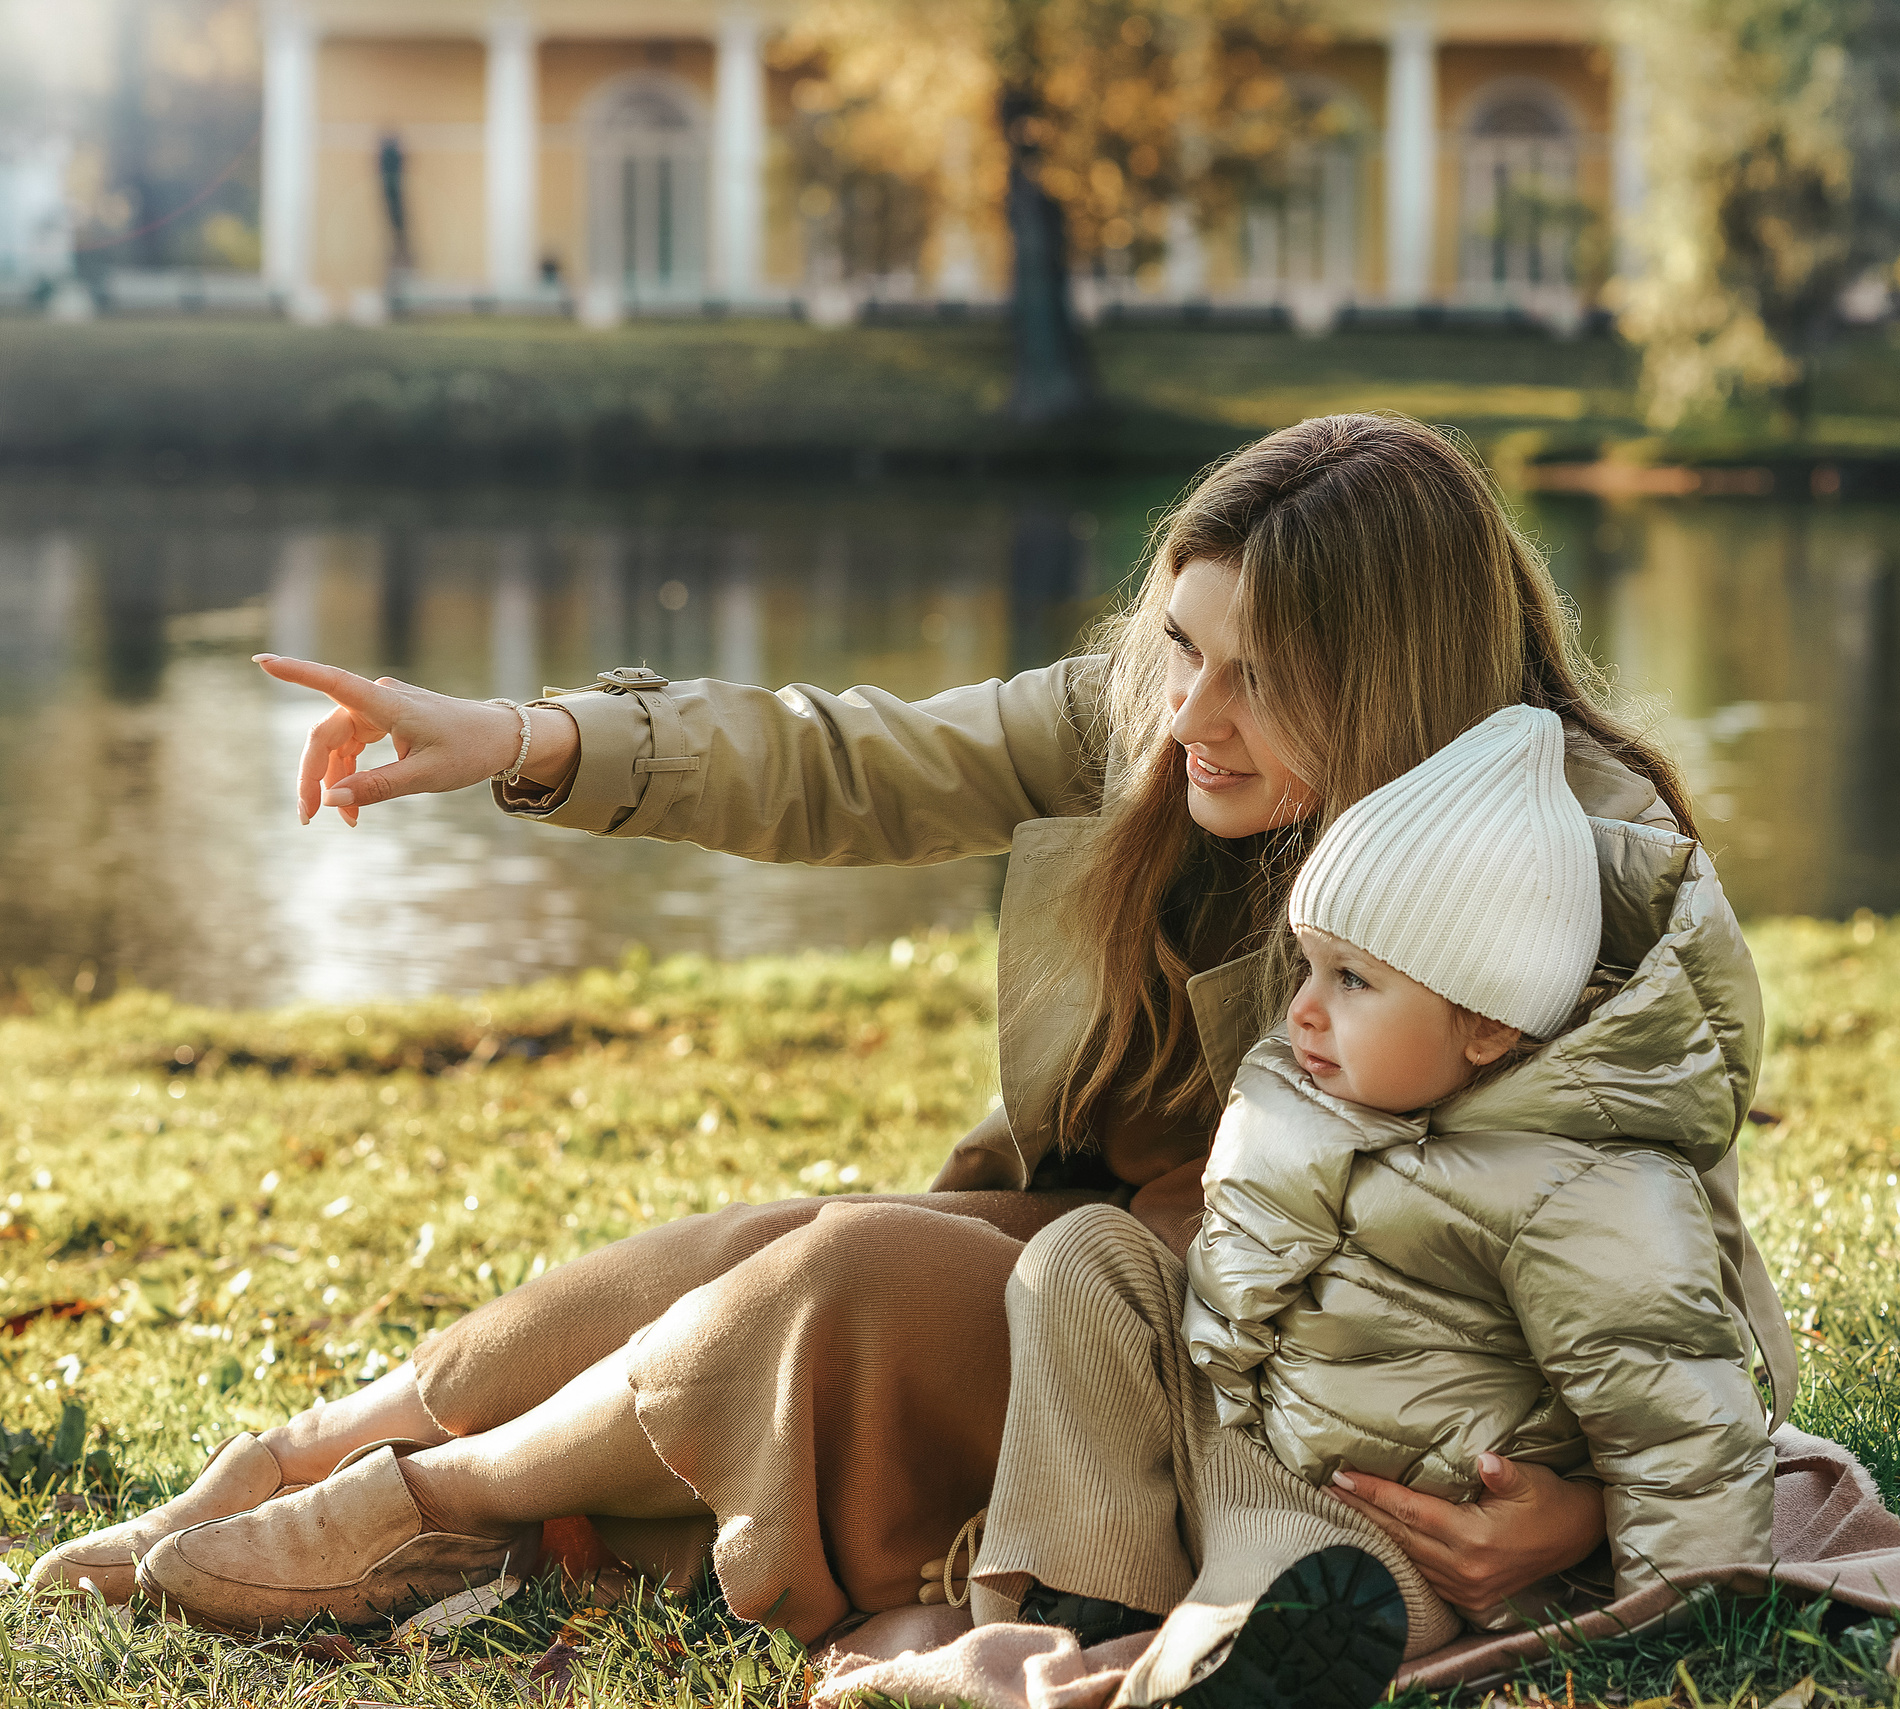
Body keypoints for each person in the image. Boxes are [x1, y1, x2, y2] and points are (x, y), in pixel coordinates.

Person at [29, 414, 1792, 1656]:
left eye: (1260, 676)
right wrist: (519, 733)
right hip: (1103, 1259)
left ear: (1397, 682)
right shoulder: (1161, 725)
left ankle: (436, 1505)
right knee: (753, 1243)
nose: (1194, 711)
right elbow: (849, 754)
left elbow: (1671, 1244)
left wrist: (1577, 1509)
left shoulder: (1561, 851)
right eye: (1183, 645)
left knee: (849, 1277)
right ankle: (296, 1462)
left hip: (1255, 1375)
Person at [965, 703, 1775, 1709]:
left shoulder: (1580, 1182)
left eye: (1350, 979)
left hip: (1388, 1521)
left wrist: (1668, 1604)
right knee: (1083, 1254)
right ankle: (1091, 1581)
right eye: (1307, 963)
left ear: (1484, 1024)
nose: (1301, 1004)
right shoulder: (1319, 1082)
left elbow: (1677, 1422)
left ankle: (1221, 1657)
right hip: (1256, 1418)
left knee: (1290, 1561)